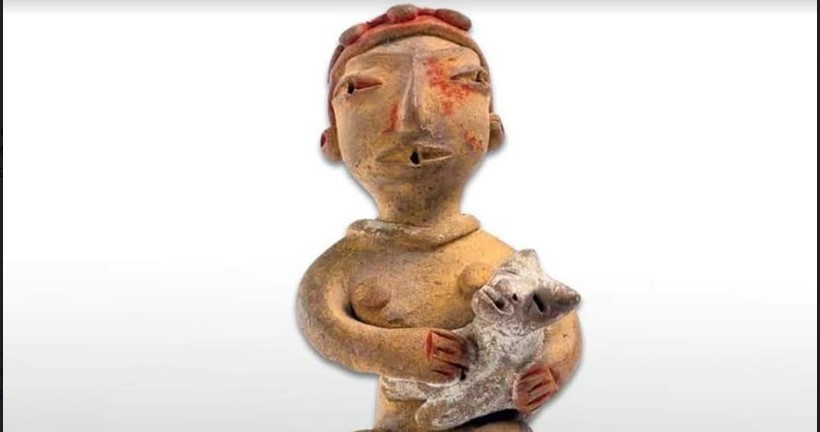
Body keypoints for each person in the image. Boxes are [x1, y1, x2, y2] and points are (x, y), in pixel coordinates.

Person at [297, 6, 582, 432]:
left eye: (460, 80)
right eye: (363, 88)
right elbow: (324, 324)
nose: (414, 116)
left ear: (492, 129)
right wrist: (397, 349)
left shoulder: (501, 258)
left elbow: (559, 322)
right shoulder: (344, 266)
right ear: (333, 139)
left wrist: (550, 371)